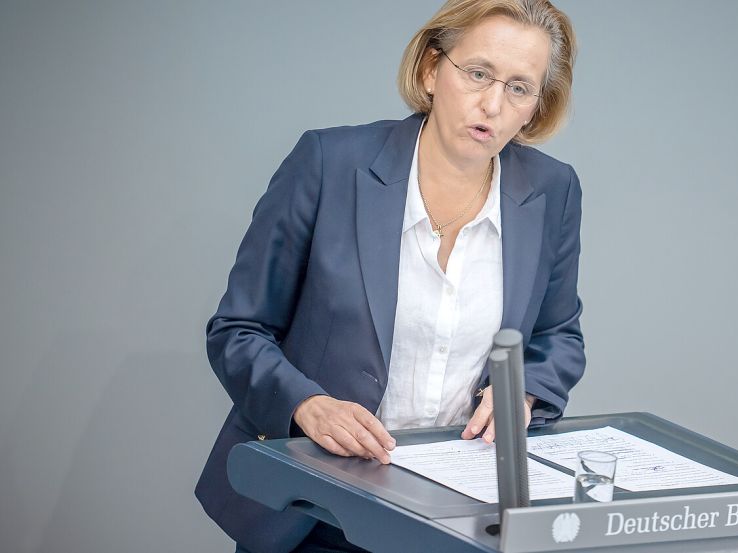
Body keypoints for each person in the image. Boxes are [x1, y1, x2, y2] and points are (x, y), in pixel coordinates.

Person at [195, 1, 584, 551]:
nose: (493, 103)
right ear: (431, 69)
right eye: (478, 74)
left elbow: (558, 335)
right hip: (315, 508)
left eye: (520, 88)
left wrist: (524, 395)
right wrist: (306, 405)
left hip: (463, 515)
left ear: (534, 108)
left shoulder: (552, 190)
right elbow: (237, 329)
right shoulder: (329, 163)